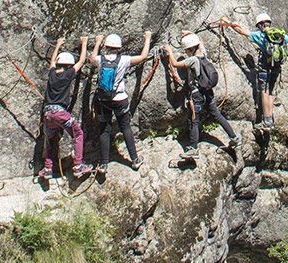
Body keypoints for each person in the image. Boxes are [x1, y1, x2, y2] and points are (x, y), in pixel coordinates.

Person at [164, 33, 240, 159]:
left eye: (186, 50)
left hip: (197, 94)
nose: (186, 52)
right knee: (217, 115)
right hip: (208, 92)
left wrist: (170, 52)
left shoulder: (193, 60)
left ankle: (193, 149)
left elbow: (175, 64)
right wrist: (189, 34)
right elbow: (201, 40)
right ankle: (234, 137)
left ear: (190, 49)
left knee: (193, 120)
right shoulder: (203, 54)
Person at [90, 32, 152, 174]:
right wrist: (147, 39)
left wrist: (97, 42)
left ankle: (104, 164)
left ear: (106, 46)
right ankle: (135, 160)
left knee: (104, 130)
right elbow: (143, 57)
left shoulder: (100, 60)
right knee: (125, 128)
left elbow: (91, 59)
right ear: (118, 48)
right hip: (120, 99)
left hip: (104, 100)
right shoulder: (123, 60)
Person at [226, 13, 288, 130]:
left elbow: (241, 31)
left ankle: (266, 120)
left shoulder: (258, 35)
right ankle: (271, 120)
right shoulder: (279, 34)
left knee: (264, 91)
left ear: (259, 25)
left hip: (264, 67)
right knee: (270, 93)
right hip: (276, 68)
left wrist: (229, 22)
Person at [39, 37, 92, 179]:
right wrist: (84, 43)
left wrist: (57, 45)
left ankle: (48, 169)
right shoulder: (68, 74)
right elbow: (81, 61)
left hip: (48, 115)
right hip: (60, 114)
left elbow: (51, 63)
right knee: (78, 134)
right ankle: (78, 166)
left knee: (50, 139)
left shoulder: (51, 74)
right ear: (69, 65)